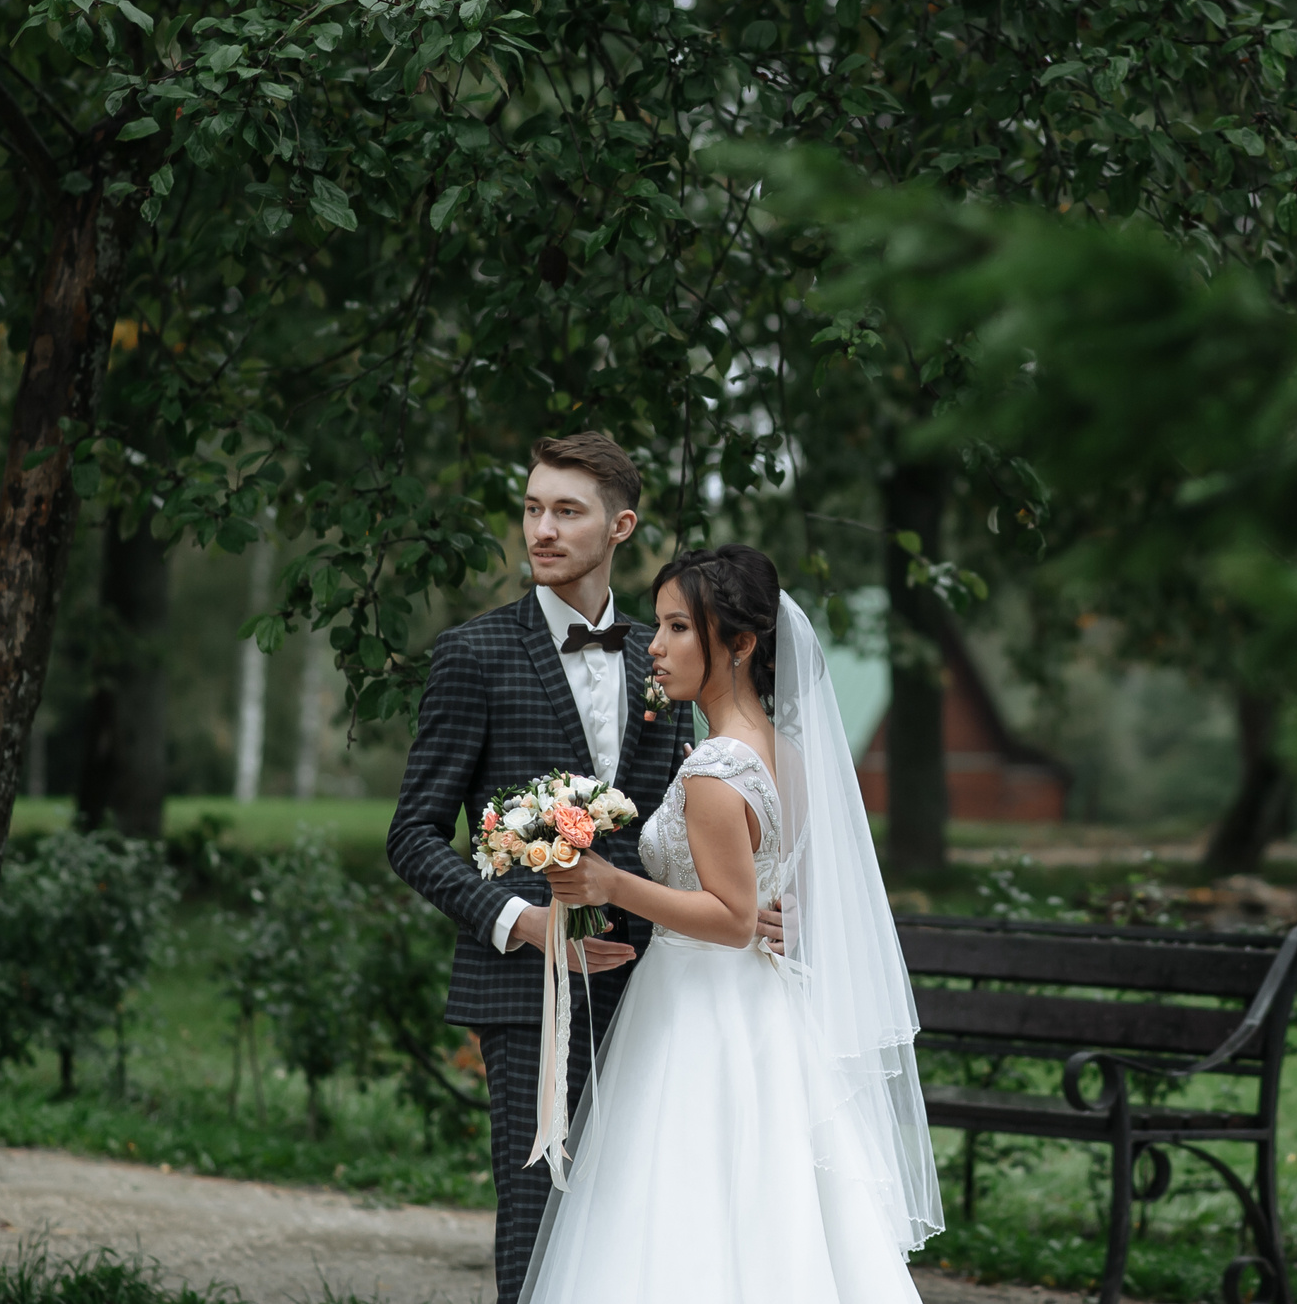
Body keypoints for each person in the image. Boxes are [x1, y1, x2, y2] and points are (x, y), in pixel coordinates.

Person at [387, 433, 780, 1304]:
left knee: (646, 1230)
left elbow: (692, 818)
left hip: (660, 993)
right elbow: (411, 835)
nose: (543, 529)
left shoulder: (665, 655)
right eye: (533, 508)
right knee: (540, 1223)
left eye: (567, 511)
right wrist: (523, 922)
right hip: (527, 989)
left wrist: (746, 905)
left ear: (620, 527)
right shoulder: (473, 654)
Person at [527, 544, 943, 1302]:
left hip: (699, 1009)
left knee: (678, 1199)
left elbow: (732, 916)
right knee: (770, 1204)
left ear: (742, 643)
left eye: (678, 627)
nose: (655, 646)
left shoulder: (717, 769)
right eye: (659, 624)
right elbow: (786, 892)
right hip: (765, 1006)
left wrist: (612, 881)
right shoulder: (784, 752)